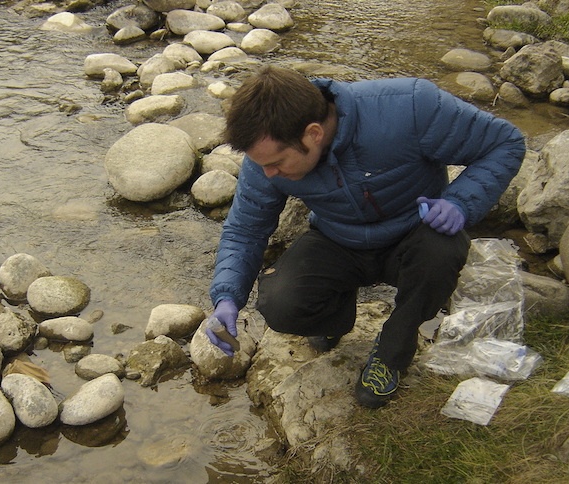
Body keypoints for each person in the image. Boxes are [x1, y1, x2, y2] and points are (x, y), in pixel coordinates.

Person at [205, 65, 526, 409]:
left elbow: (505, 142)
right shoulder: (265, 157)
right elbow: (245, 230)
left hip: (414, 232)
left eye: (278, 163)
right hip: (338, 238)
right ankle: (335, 320)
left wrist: (460, 202)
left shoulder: (411, 106)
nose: (268, 173)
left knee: (442, 254)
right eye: (262, 164)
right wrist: (227, 297)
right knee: (280, 303)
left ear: (313, 133)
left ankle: (392, 353)